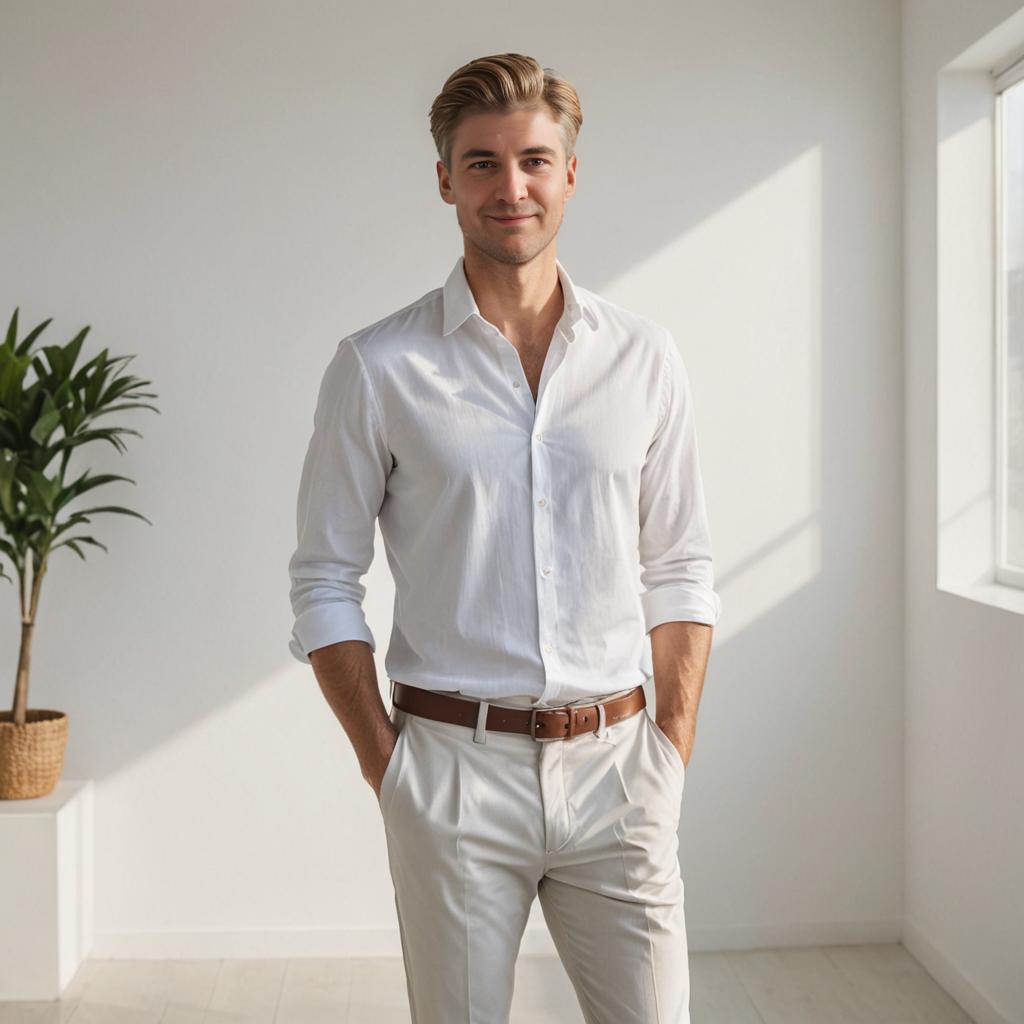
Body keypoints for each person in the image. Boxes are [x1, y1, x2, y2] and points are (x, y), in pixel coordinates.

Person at [287, 51, 722, 1024]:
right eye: (481, 162)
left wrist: (669, 749)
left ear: (570, 172)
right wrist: (387, 766)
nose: (510, 185)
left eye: (533, 159)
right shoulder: (378, 366)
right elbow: (322, 579)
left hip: (620, 769)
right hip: (449, 771)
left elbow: (682, 564)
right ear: (444, 179)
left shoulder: (644, 358)